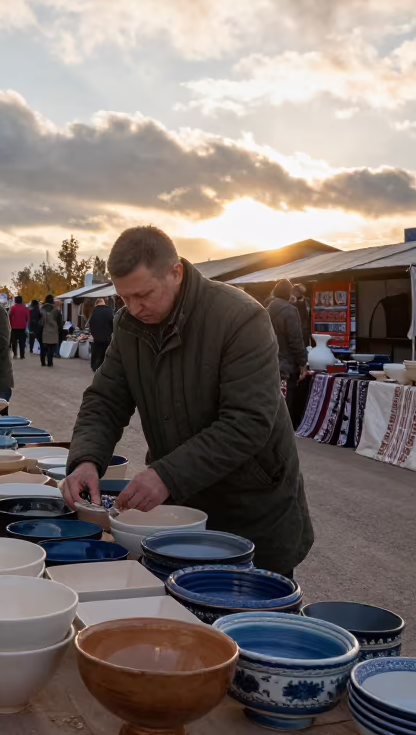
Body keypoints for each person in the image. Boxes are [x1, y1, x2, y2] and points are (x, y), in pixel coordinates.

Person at [60, 226, 313, 577]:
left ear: (175, 272)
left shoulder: (241, 317)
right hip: (180, 507)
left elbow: (248, 421)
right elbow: (105, 399)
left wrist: (166, 475)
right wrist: (86, 460)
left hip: (252, 509)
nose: (133, 308)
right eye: (124, 298)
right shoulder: (129, 326)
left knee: (247, 620)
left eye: (143, 294)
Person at [267, 279, 308, 406]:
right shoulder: (289, 311)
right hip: (287, 367)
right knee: (287, 406)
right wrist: (302, 363)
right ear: (288, 293)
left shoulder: (267, 309)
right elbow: (295, 339)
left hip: (269, 364)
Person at [88, 297, 114, 372]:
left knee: (95, 352)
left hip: (96, 337)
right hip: (106, 336)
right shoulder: (109, 310)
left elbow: (90, 323)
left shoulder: (94, 311)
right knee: (105, 352)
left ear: (96, 304)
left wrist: (93, 333)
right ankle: (104, 367)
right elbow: (112, 322)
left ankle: (94, 366)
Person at [40, 295, 63, 366]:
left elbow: (39, 320)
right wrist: (60, 328)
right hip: (54, 330)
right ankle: (50, 361)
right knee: (51, 346)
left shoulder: (42, 309)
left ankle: (43, 362)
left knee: (43, 347)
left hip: (44, 329)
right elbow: (59, 321)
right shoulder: (56, 309)